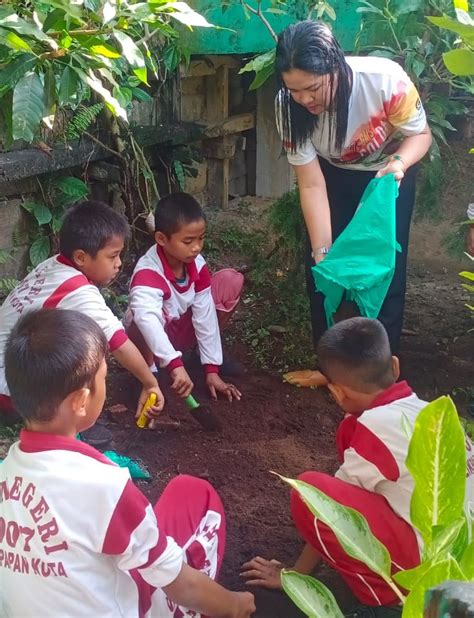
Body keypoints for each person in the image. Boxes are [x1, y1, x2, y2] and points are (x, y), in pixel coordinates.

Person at [0, 308, 256, 618]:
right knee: (201, 498)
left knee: (181, 493)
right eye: (104, 378)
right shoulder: (105, 485)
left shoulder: (7, 472)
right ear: (81, 401)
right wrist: (235, 605)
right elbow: (179, 584)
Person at [241, 317, 474, 617]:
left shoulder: (371, 430)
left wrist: (294, 575)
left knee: (309, 490)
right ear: (395, 366)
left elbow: (330, 511)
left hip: (433, 572)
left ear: (337, 393)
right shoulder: (432, 412)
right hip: (464, 555)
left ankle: (393, 600)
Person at [274, 20, 432, 387]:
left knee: (383, 275)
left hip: (387, 179)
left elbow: (420, 135)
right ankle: (330, 370)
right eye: (294, 90)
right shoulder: (288, 106)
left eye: (312, 88)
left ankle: (380, 377)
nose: (304, 100)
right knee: (325, 275)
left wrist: (399, 164)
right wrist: (322, 250)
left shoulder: (385, 81)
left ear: (336, 67)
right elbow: (311, 184)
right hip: (332, 180)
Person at [0, 201, 163, 445]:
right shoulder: (77, 291)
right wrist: (150, 383)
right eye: (113, 256)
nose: (119, 263)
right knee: (89, 349)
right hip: (11, 389)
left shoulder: (53, 265)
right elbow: (118, 341)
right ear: (81, 257)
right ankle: (72, 423)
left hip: (11, 368)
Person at [126, 192, 244, 403]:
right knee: (140, 318)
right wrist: (173, 364)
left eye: (201, 238)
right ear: (161, 239)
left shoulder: (196, 263)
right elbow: (148, 322)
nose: (197, 247)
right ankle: (147, 375)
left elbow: (205, 314)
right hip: (149, 341)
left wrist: (211, 369)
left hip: (179, 332)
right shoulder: (148, 273)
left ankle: (201, 358)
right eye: (188, 241)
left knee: (230, 281)